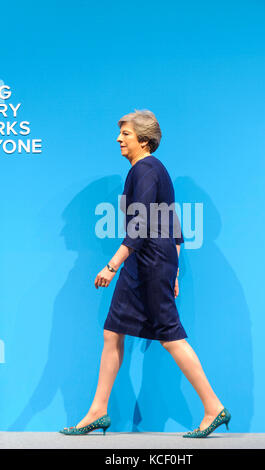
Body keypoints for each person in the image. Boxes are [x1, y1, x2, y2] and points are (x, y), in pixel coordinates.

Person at [59, 110, 231, 438]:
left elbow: (139, 227)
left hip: (148, 261)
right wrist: (174, 273)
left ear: (143, 139)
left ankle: (213, 407)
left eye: (125, 133)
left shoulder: (147, 169)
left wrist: (113, 264)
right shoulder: (150, 170)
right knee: (113, 331)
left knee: (169, 335)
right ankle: (98, 411)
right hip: (150, 263)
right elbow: (175, 228)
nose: (118, 138)